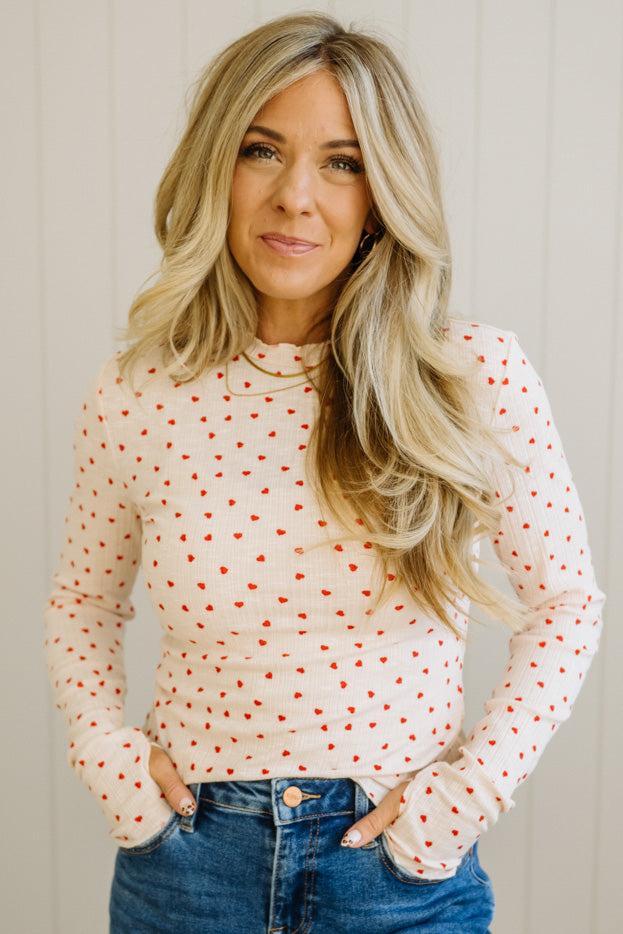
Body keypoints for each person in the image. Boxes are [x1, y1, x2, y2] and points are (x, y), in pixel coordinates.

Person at [42, 11, 606, 934]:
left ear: (382, 190)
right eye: (262, 151)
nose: (296, 197)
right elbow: (81, 603)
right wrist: (113, 768)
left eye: (341, 162)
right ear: (214, 168)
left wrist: (461, 800)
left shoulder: (470, 374)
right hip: (187, 871)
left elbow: (567, 604)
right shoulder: (139, 392)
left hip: (395, 875)